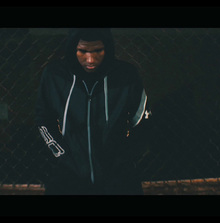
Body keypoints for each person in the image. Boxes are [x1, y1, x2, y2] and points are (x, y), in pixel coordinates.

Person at [35, 28, 152, 195]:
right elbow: (43, 119)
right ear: (72, 48)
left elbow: (142, 121)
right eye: (82, 51)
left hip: (116, 176)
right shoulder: (55, 75)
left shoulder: (125, 75)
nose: (90, 59)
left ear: (108, 48)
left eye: (98, 50)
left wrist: (123, 159)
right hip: (69, 173)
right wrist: (61, 154)